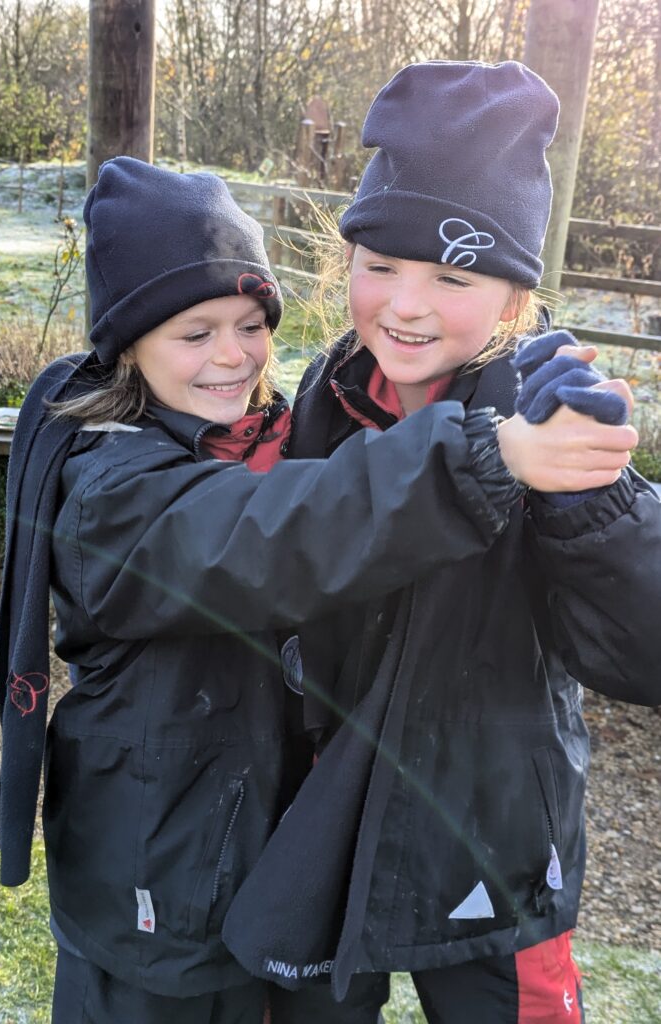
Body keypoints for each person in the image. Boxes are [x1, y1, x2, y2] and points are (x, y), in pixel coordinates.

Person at [221, 61, 661, 1023]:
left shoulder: (547, 423)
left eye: (451, 276)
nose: (405, 305)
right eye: (378, 265)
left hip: (493, 833)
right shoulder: (326, 397)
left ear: (512, 299)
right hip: (330, 808)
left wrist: (593, 495)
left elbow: (642, 647)